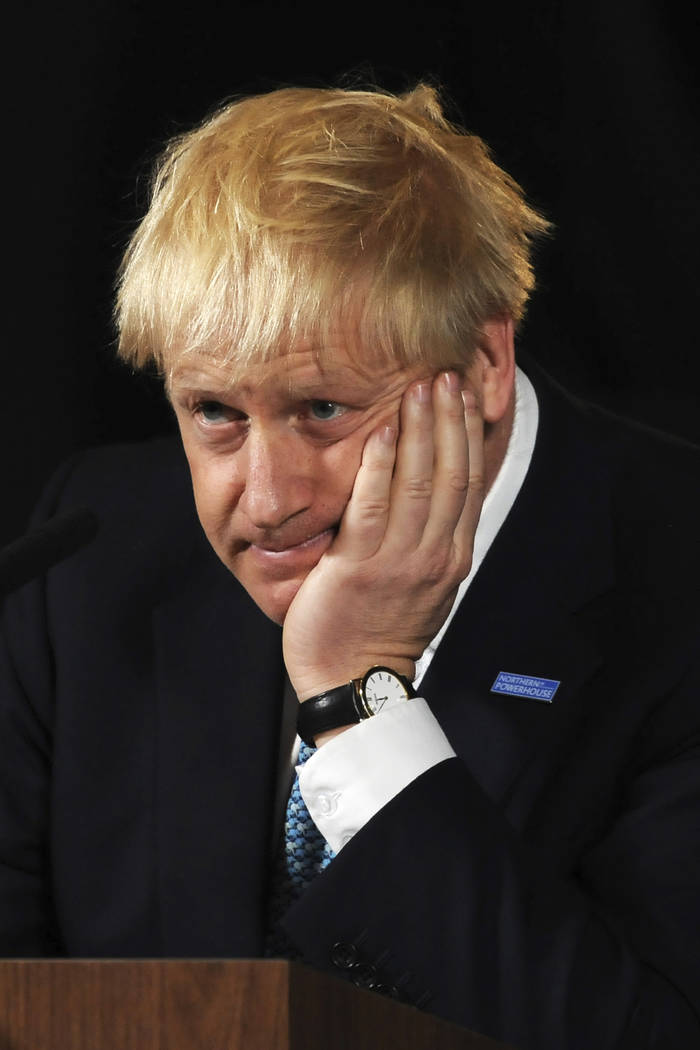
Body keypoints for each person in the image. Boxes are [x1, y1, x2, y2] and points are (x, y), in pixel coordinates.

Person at [1, 83, 698, 1049]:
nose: (268, 496)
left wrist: (355, 698)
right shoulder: (88, 555)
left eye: (323, 410)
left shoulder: (677, 573)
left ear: (486, 361)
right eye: (215, 414)